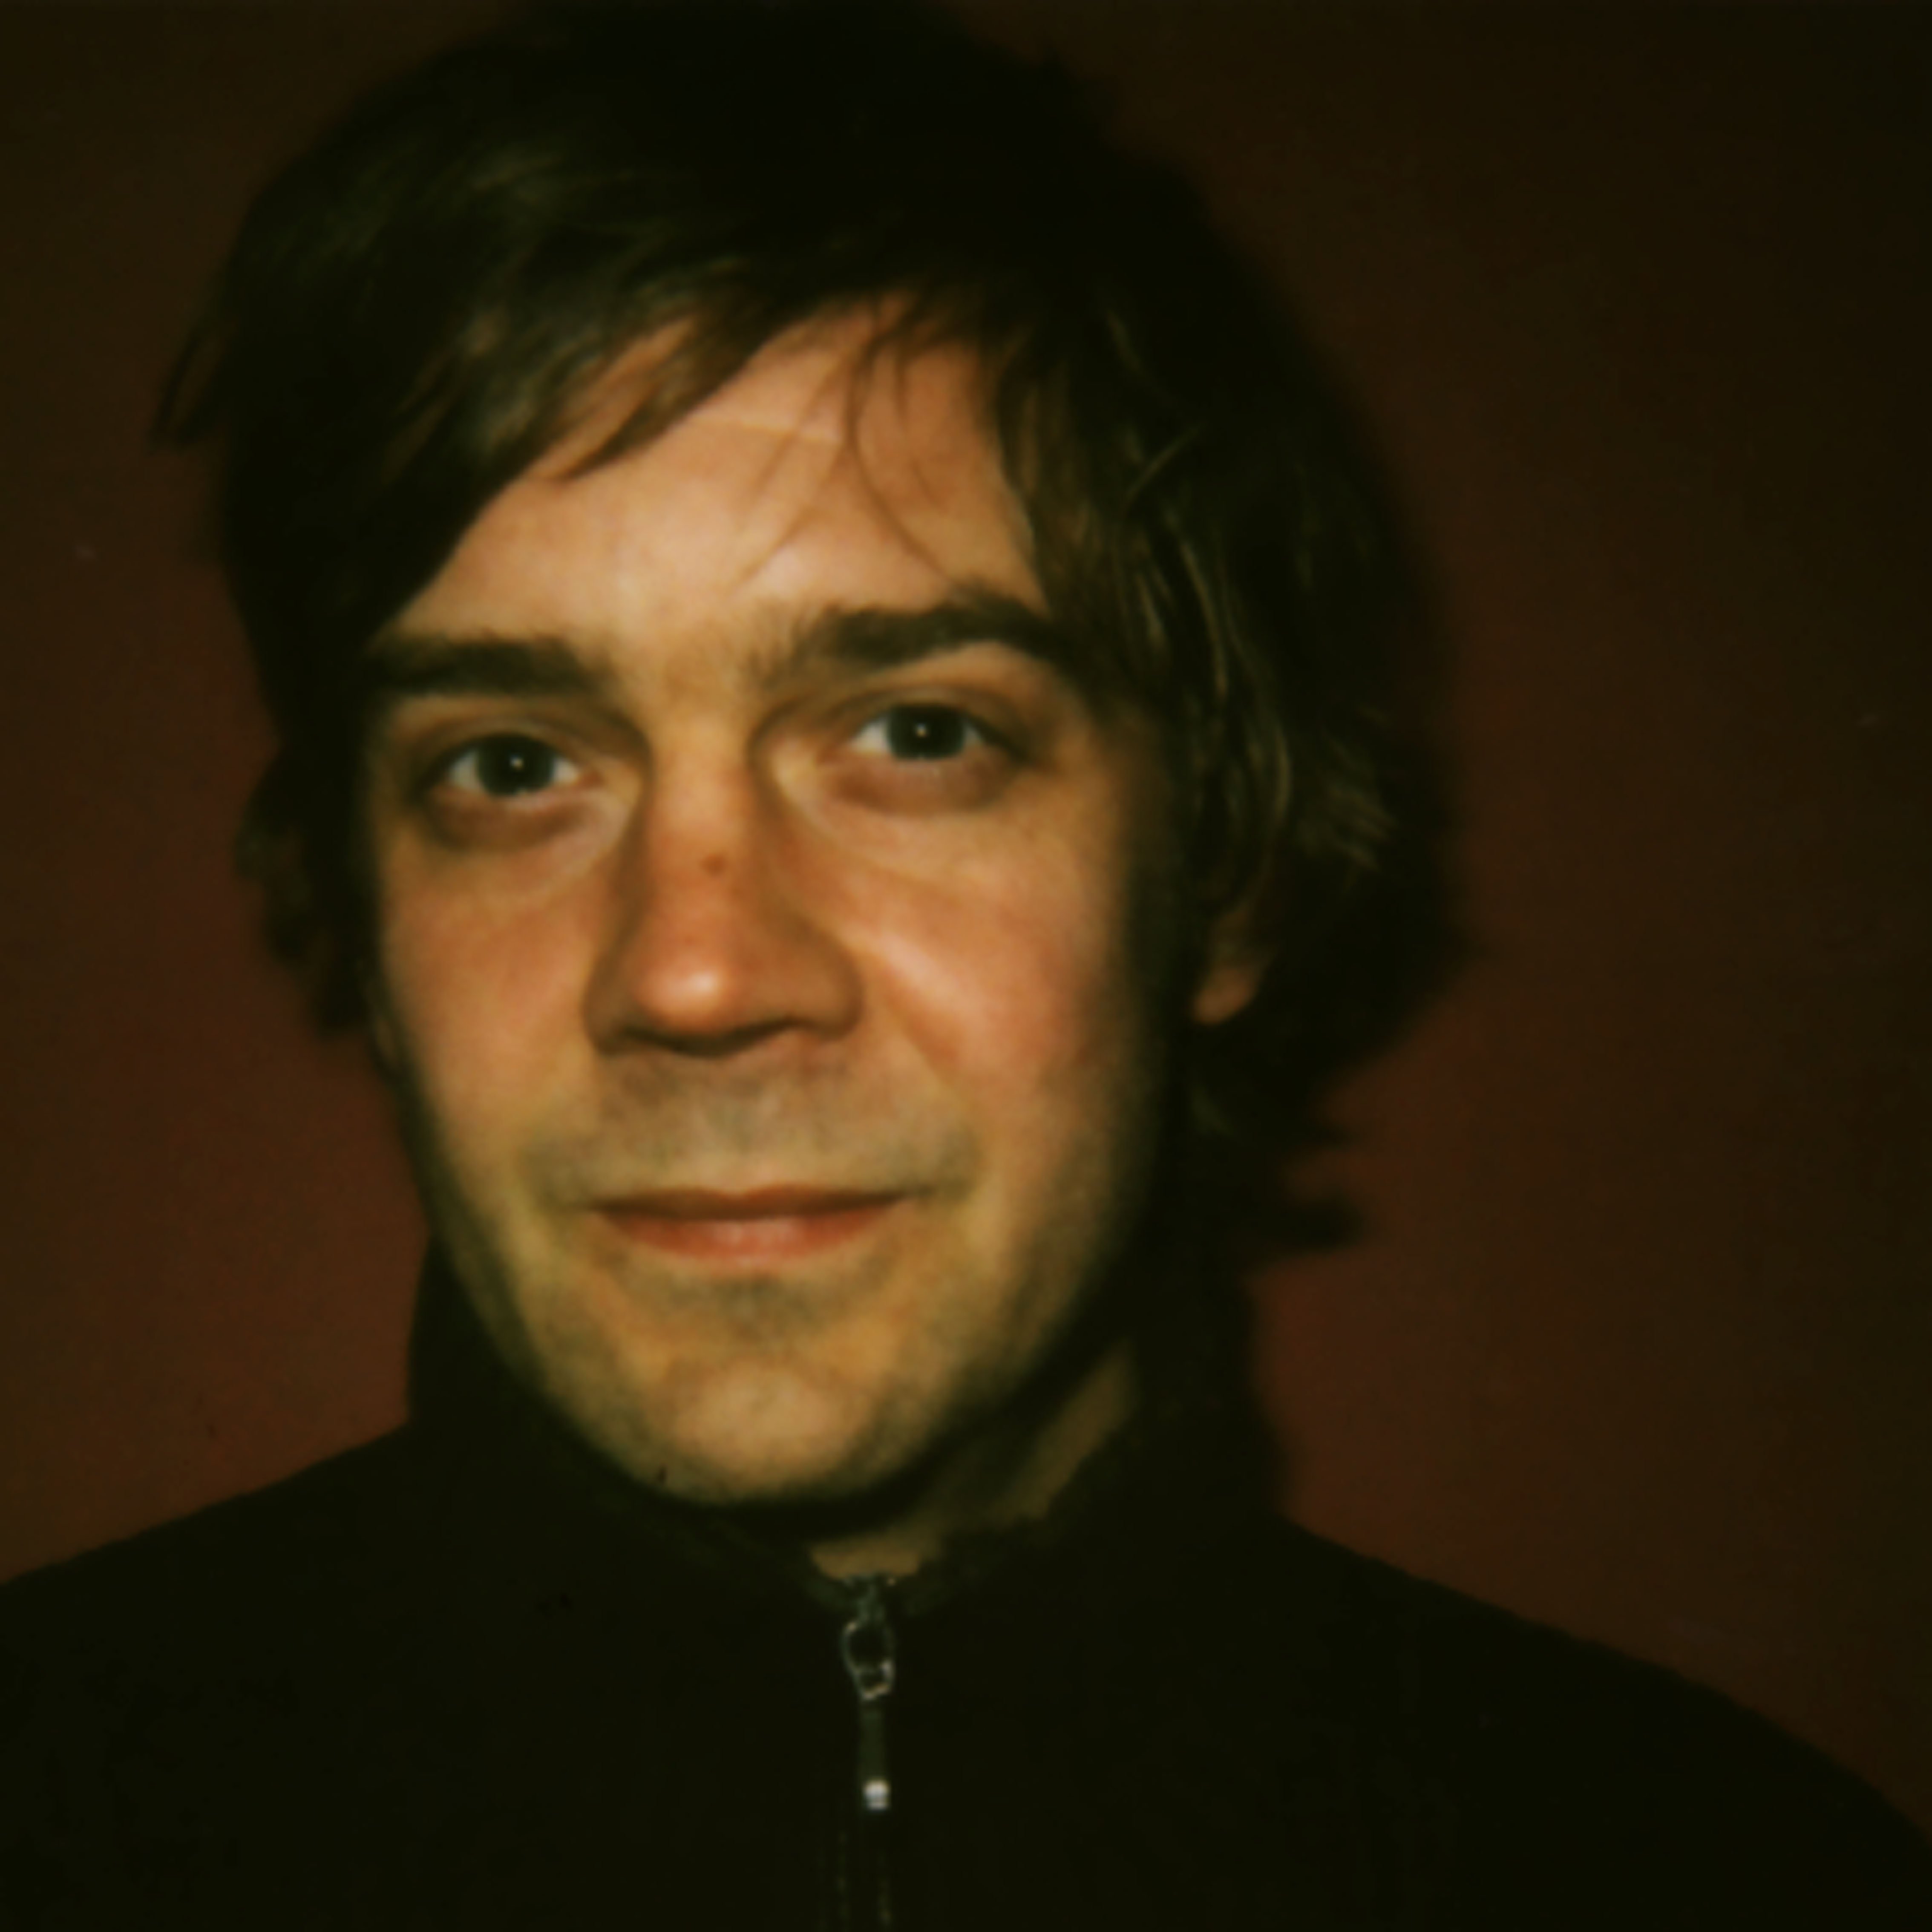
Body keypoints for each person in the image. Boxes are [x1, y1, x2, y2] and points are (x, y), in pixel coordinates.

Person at [1, 4, 1926, 1926]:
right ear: (360, 911)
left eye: (920, 734)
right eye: (512, 766)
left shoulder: (1734, 1881)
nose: (692, 975)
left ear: (1227, 872)